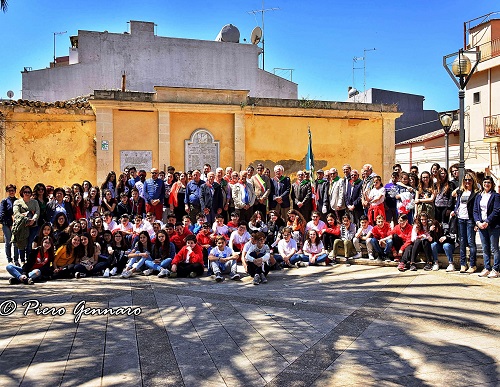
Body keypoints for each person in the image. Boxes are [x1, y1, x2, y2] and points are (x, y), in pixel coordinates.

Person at [451, 172, 479, 274]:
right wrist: (455, 211)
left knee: (471, 242)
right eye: (465, 180)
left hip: (470, 219)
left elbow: (477, 208)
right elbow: (457, 202)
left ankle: (473, 264)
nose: (467, 182)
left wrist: (477, 222)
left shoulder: (476, 193)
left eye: (469, 180)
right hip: (460, 219)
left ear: (473, 181)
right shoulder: (461, 192)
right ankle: (463, 264)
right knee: (462, 242)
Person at [474, 176, 500, 278]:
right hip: (481, 226)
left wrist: (487, 221)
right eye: (485, 182)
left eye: (489, 182)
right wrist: (478, 222)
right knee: (485, 248)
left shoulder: (496, 196)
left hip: (493, 225)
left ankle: (496, 269)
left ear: (492, 184)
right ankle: (487, 268)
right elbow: (475, 211)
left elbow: (497, 210)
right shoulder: (479, 196)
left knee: (494, 248)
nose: (486, 184)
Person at [11, 185, 40, 264]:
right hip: (22, 226)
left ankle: (28, 260)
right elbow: (16, 213)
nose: (27, 193)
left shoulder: (35, 202)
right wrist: (26, 219)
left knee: (29, 243)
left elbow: (37, 212)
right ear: (22, 193)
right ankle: (22, 260)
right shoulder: (17, 202)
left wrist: (33, 220)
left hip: (33, 225)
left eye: (29, 192)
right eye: (25, 192)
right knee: (22, 244)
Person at [0, 184, 19, 264]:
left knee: (16, 243)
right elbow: (2, 214)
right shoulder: (4, 201)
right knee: (8, 242)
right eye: (9, 190)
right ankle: (9, 259)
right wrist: (9, 224)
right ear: (7, 191)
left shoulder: (18, 201)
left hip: (16, 225)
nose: (11, 192)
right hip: (7, 225)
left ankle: (16, 259)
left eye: (13, 190)